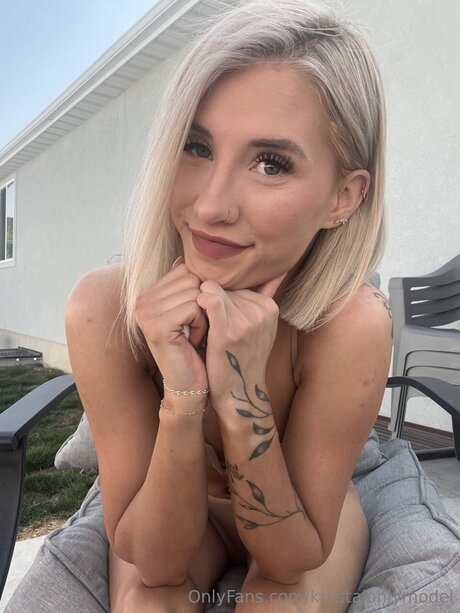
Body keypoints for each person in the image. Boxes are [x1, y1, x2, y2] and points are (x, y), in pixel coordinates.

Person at [7, 1, 394, 611]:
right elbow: (156, 562)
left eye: (271, 163)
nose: (211, 206)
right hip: (176, 508)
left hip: (299, 516)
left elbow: (289, 560)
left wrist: (240, 393)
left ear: (343, 198)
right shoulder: (106, 308)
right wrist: (183, 396)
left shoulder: (350, 324)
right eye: (196, 145)